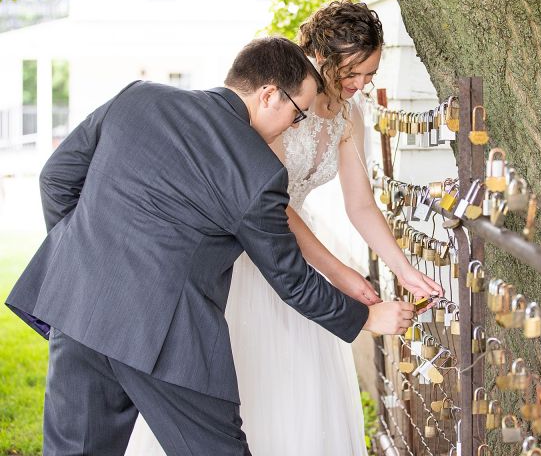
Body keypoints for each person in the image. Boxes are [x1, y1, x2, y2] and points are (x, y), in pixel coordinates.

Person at [5, 36, 421, 456]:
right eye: (297, 115)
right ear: (269, 95)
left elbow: (55, 179)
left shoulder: (137, 99)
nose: (296, 127)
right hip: (168, 336)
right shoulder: (258, 171)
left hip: (78, 309)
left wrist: (83, 257)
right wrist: (367, 318)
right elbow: (291, 279)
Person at [127, 0, 443, 455]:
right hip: (254, 248)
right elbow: (274, 208)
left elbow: (361, 206)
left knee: (304, 385)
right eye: (351, 73)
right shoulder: (283, 101)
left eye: (368, 75)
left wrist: (404, 268)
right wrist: (340, 274)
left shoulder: (351, 117)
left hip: (305, 249)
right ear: (320, 57)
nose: (358, 85)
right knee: (246, 373)